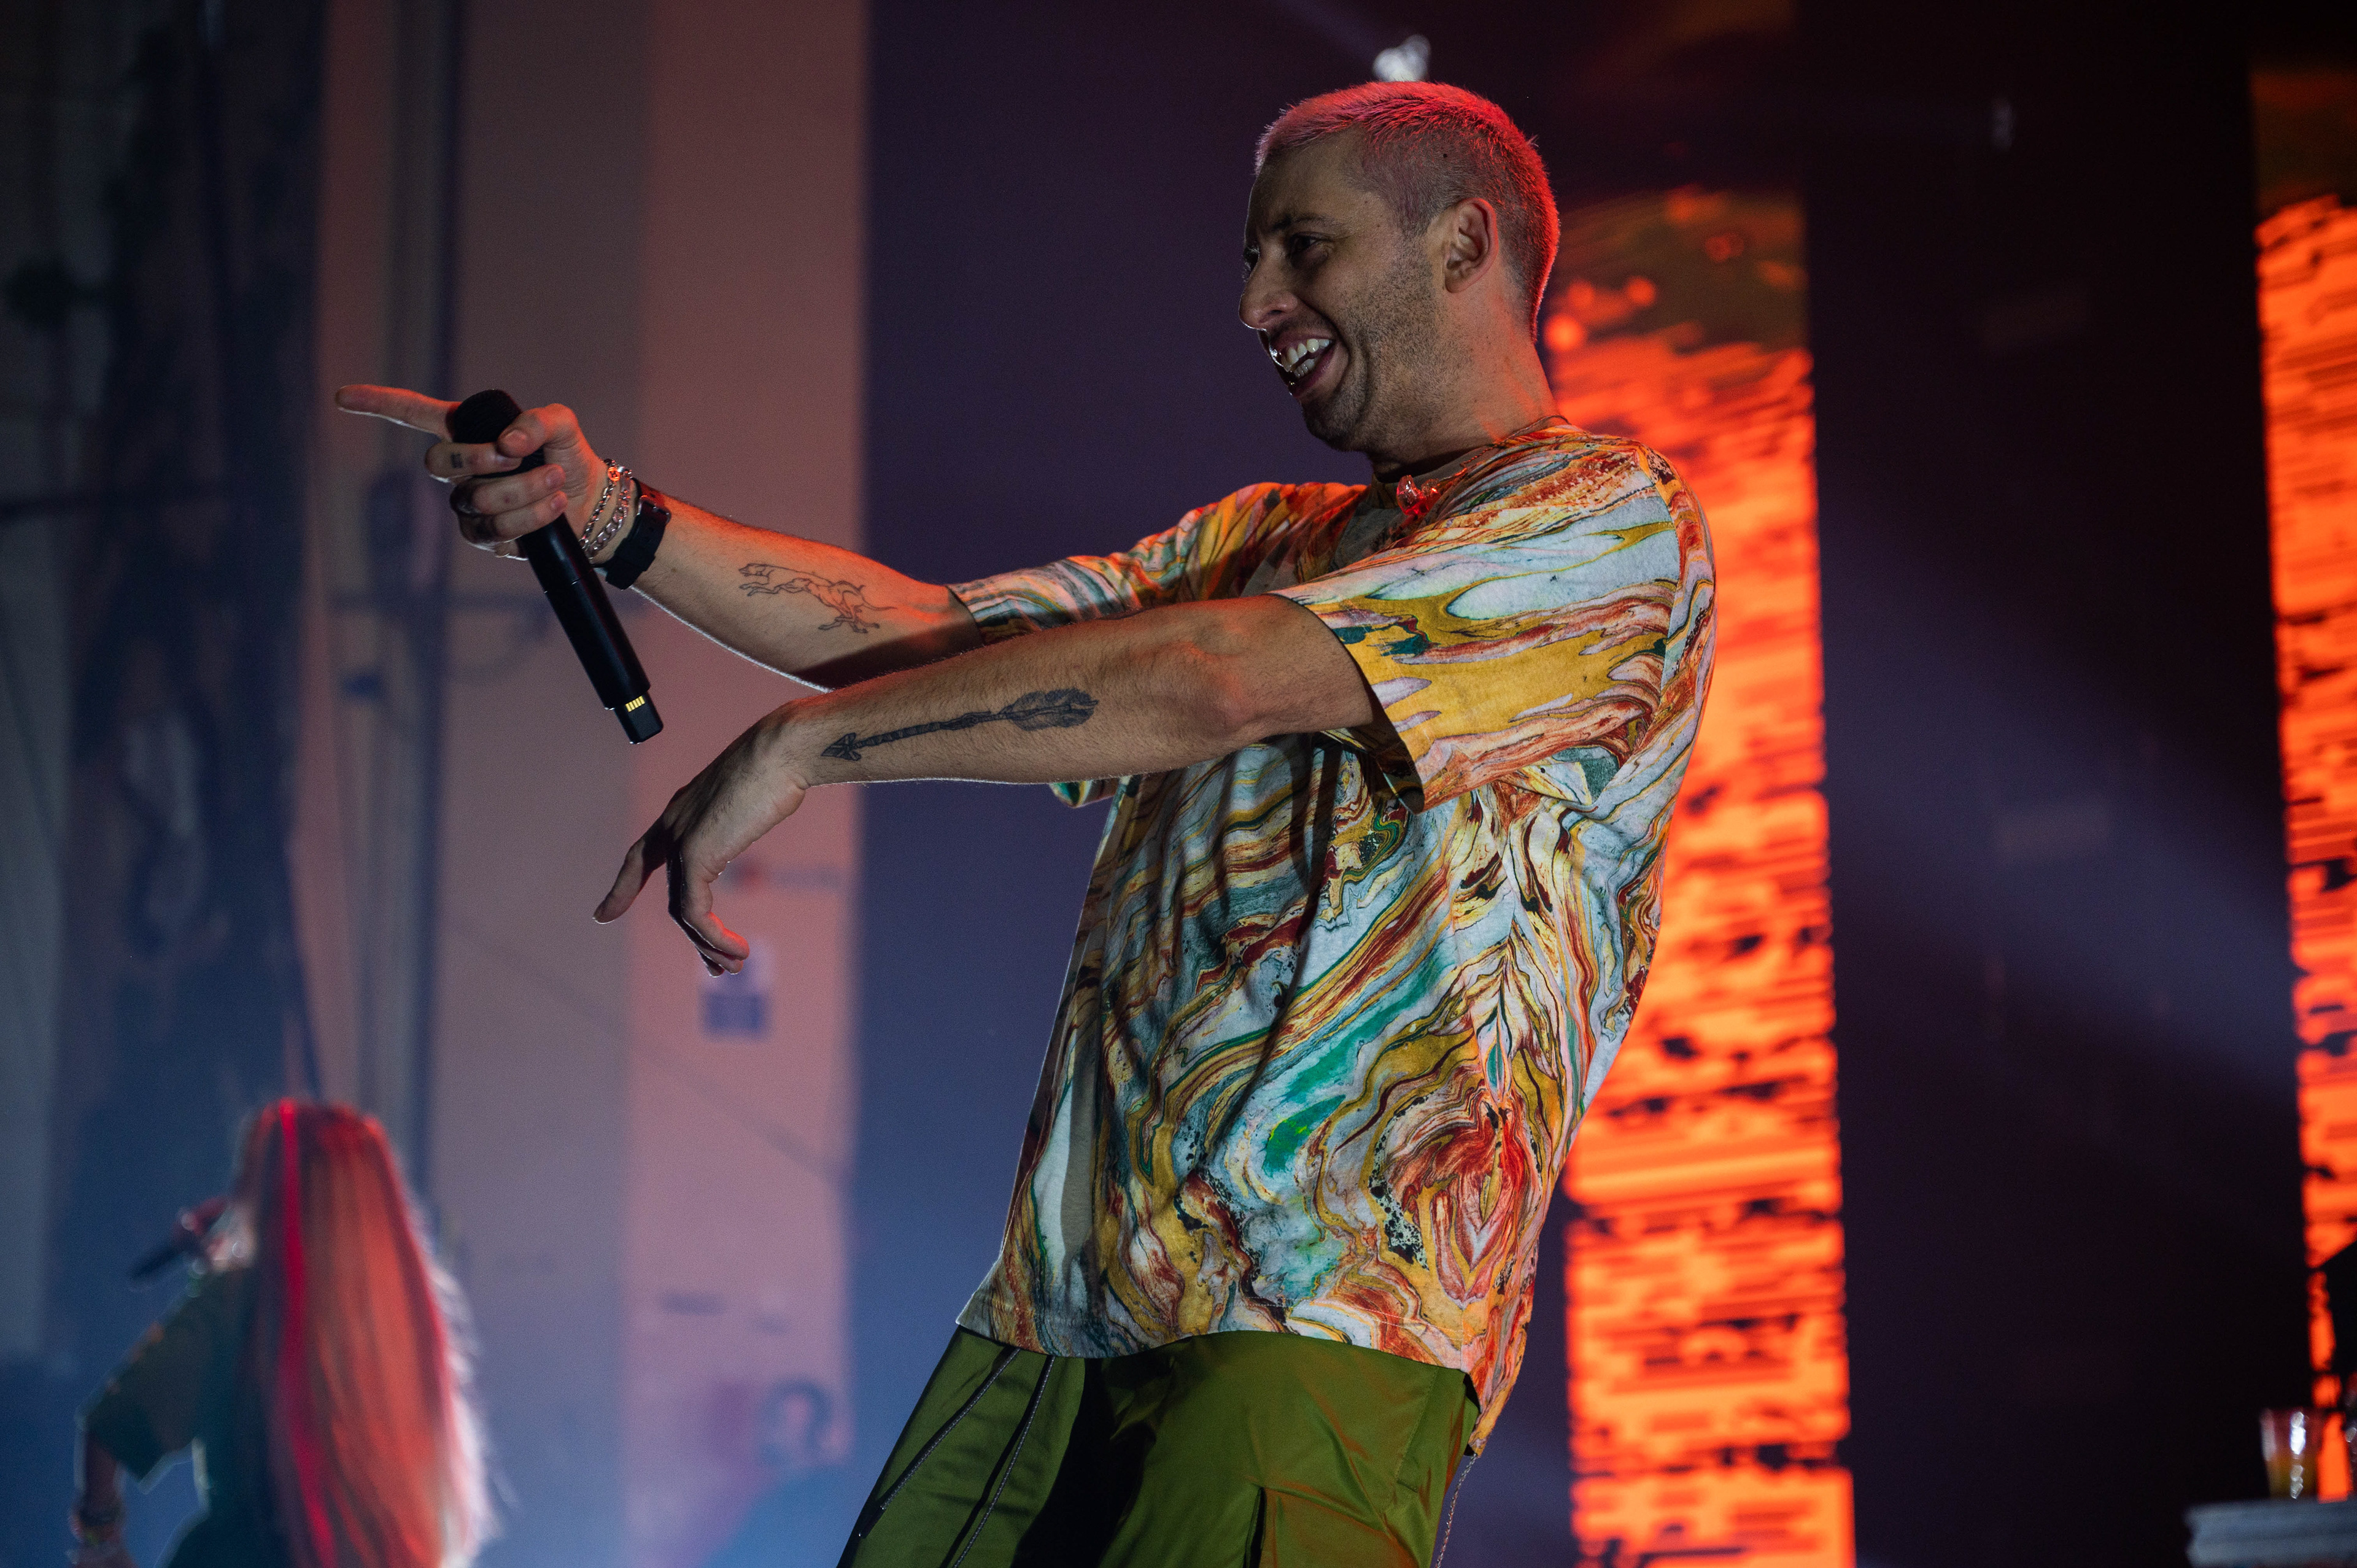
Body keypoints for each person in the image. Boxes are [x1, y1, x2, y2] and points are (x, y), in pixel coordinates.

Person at [341, 79, 1713, 1568]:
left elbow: (1220, 680)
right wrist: (607, 515)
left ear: (1463, 244)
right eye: (1253, 255)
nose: (1255, 300)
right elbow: (943, 639)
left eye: (1303, 248)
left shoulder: (1613, 526)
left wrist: (810, 747)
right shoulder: (1266, 537)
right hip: (1052, 1321)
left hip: (1316, 1324)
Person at [69, 1102, 492, 1568]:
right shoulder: (401, 1318)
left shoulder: (238, 1304)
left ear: (268, 1193)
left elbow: (112, 1427)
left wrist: (102, 1540)